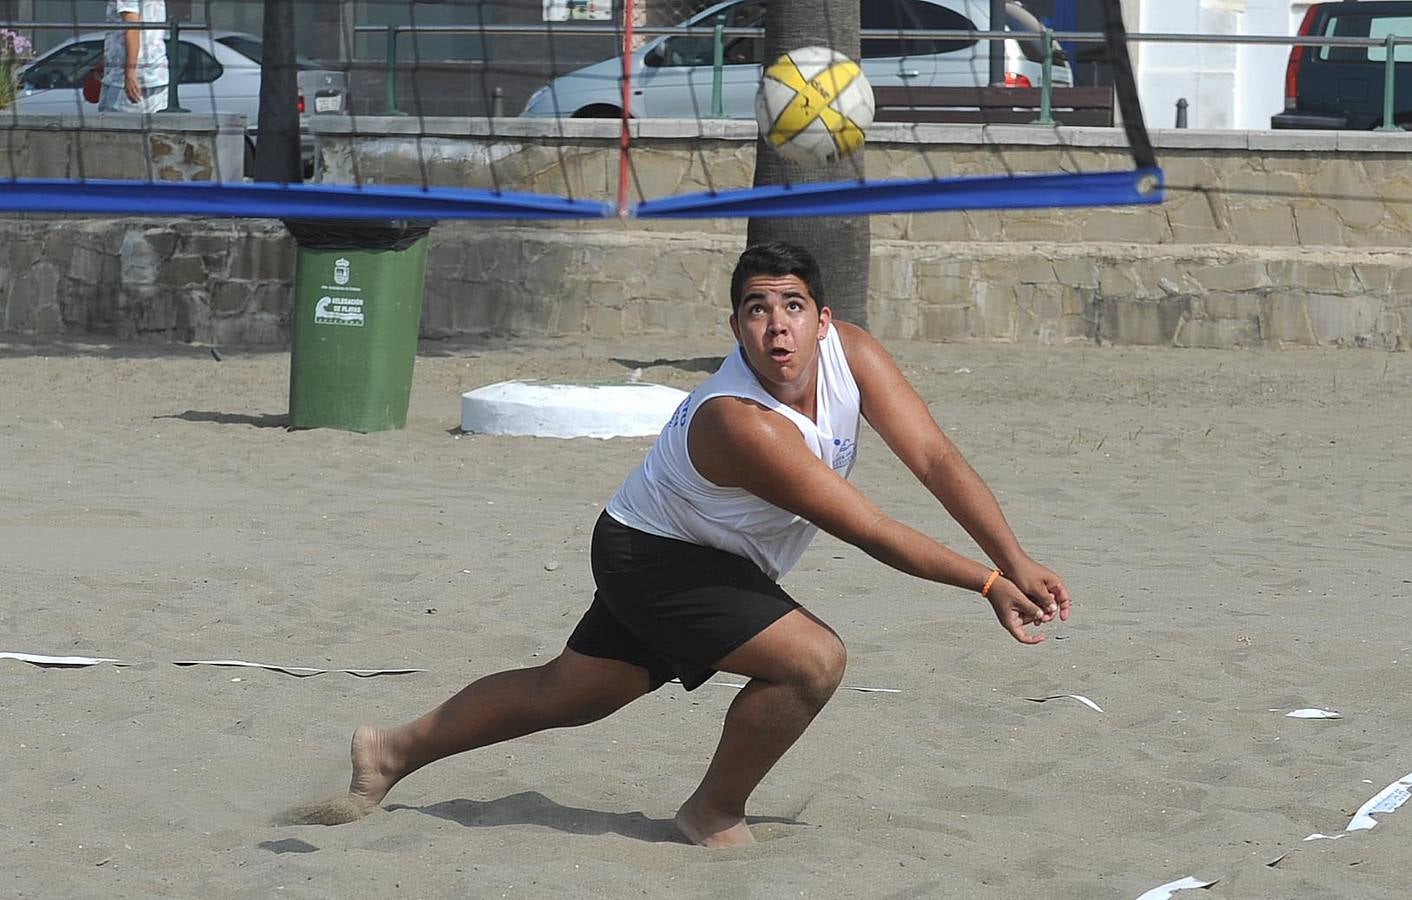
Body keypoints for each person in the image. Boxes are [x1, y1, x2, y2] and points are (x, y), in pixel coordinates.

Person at [330, 241, 1071, 847]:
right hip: (653, 557)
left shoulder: (852, 354)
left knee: (564, 694)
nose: (776, 327)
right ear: (735, 326)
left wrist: (1015, 558)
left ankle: (390, 751)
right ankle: (712, 812)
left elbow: (936, 459)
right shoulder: (738, 421)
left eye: (792, 306)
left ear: (822, 320)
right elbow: (869, 528)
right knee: (811, 662)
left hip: (693, 548)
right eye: (757, 309)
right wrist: (983, 584)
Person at [98, 0, 168, 114]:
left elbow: (132, 26)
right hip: (156, 72)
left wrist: (130, 73)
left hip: (125, 79)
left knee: (117, 128)